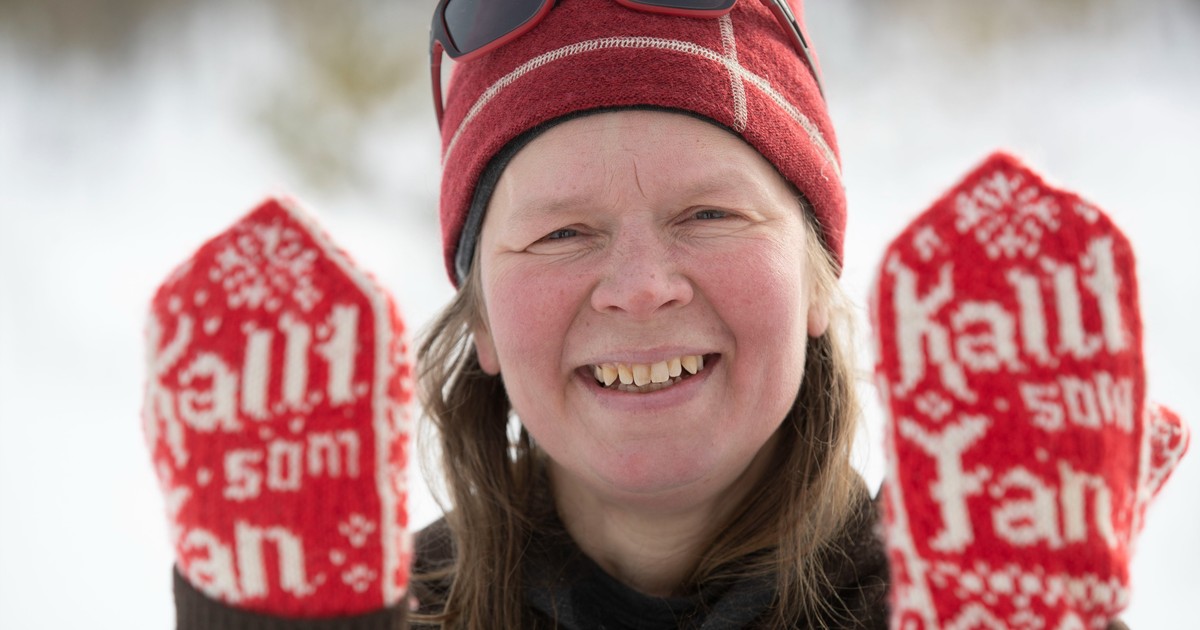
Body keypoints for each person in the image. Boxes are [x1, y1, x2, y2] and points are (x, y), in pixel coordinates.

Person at [147, 0, 1187, 628]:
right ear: (488, 326)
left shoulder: (979, 599)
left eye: (709, 214)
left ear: (819, 282)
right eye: (562, 233)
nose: (642, 286)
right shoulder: (362, 615)